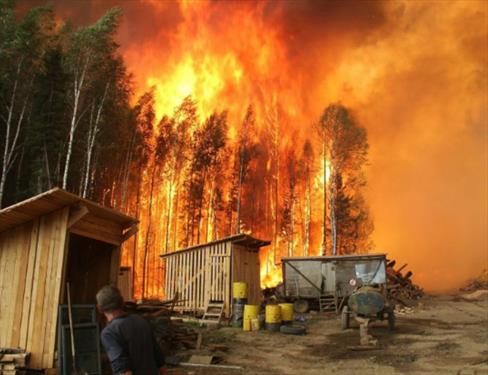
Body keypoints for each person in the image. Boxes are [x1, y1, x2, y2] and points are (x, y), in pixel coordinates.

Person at [96, 285, 165, 375]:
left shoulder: (109, 333)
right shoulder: (141, 321)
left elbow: (124, 371)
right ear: (122, 303)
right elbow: (159, 359)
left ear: (99, 308)